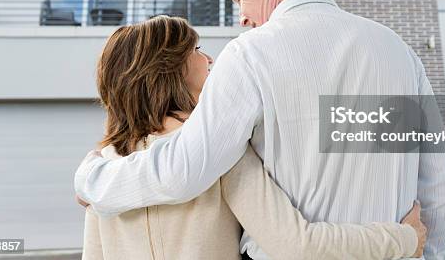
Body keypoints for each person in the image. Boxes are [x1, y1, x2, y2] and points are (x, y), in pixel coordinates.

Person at [75, 0, 445, 259]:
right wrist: (420, 248)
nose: (242, 17)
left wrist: (91, 180)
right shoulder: (395, 50)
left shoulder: (249, 54)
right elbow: (441, 191)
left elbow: (183, 170)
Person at [81, 15, 425, 260]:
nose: (209, 58)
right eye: (196, 49)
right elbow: (297, 246)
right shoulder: (218, 153)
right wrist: (404, 238)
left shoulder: (104, 169)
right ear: (169, 68)